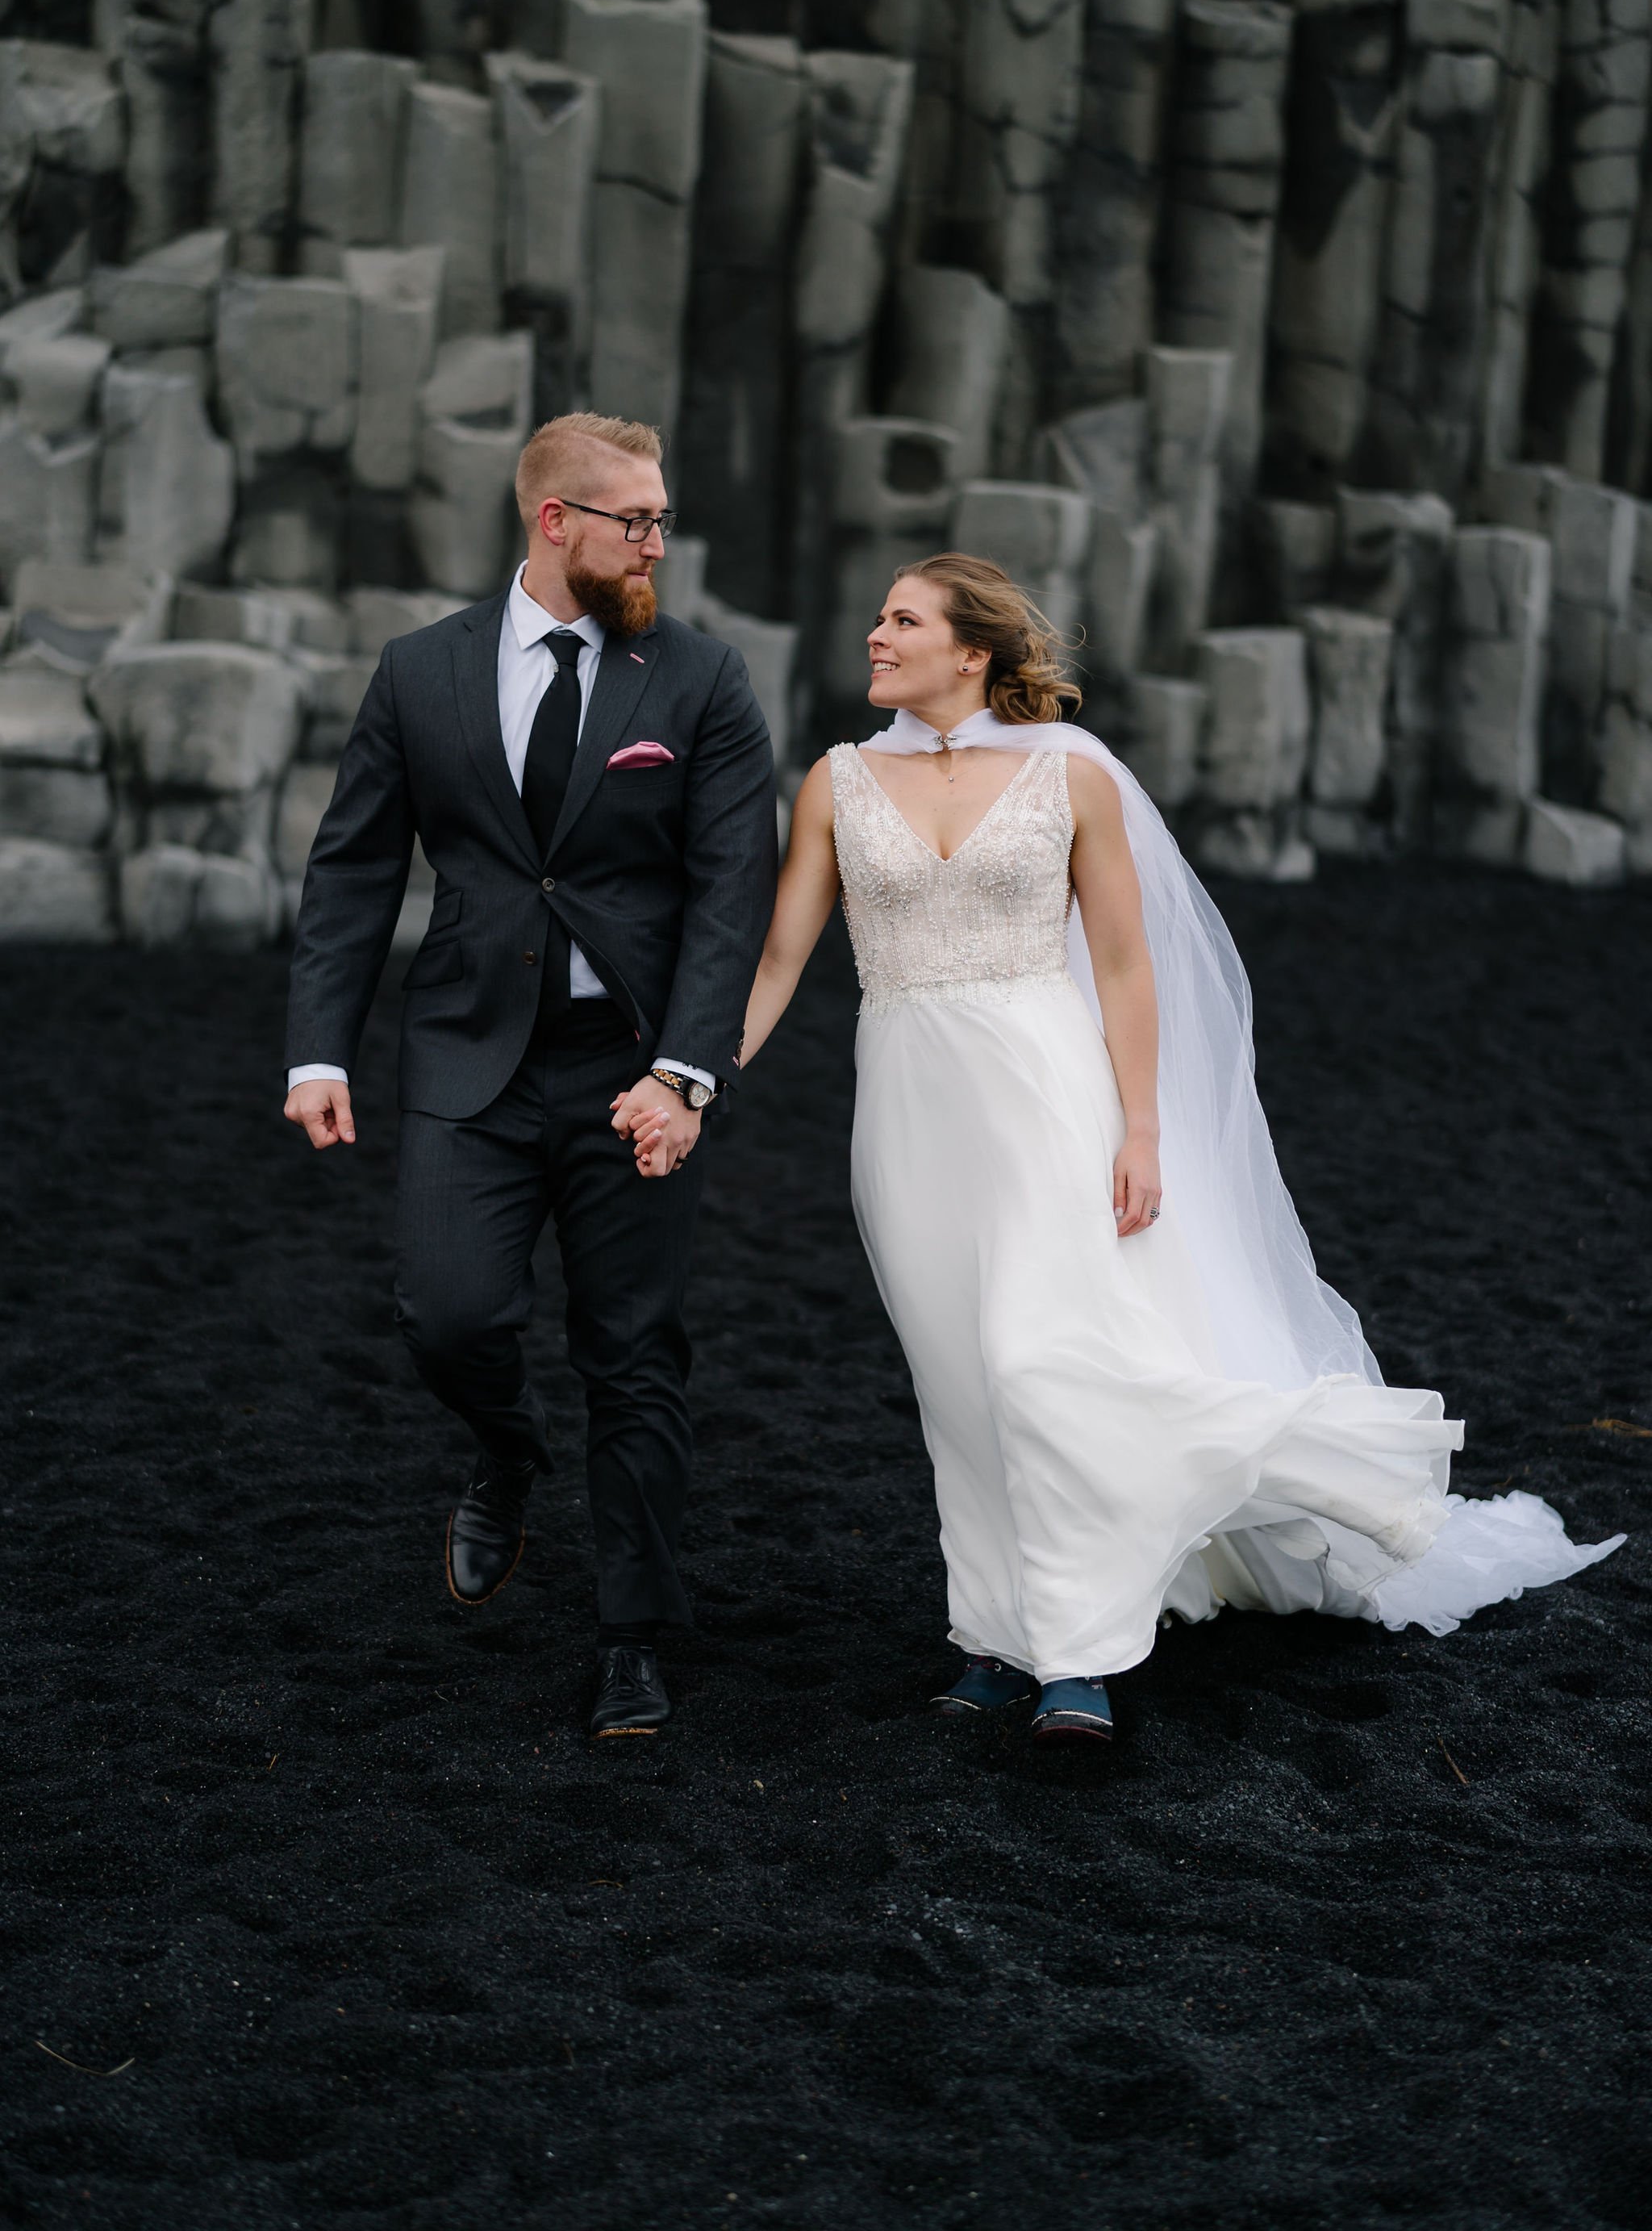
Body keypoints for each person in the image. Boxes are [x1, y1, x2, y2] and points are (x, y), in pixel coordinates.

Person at [728, 552, 1624, 1744]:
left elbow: (1122, 964)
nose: (876, 635)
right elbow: (779, 959)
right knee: (962, 1388)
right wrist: (694, 1080)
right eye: (880, 616)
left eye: (903, 620)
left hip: (1049, 1096)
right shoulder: (836, 783)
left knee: (1040, 1363)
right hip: (905, 1110)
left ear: (972, 652)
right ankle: (995, 1637)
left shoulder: (1071, 777)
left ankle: (1080, 1659)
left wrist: (1141, 1131)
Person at [283, 413, 778, 1740]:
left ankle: (633, 1641)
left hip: (634, 1072)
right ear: (556, 521)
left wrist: (684, 1074)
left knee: (634, 1354)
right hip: (468, 1058)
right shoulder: (420, 672)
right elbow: (353, 867)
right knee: (446, 1319)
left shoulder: (703, 680)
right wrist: (320, 1046)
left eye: (663, 519)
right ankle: (507, 1451)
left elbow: (732, 895)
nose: (657, 543)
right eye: (637, 521)